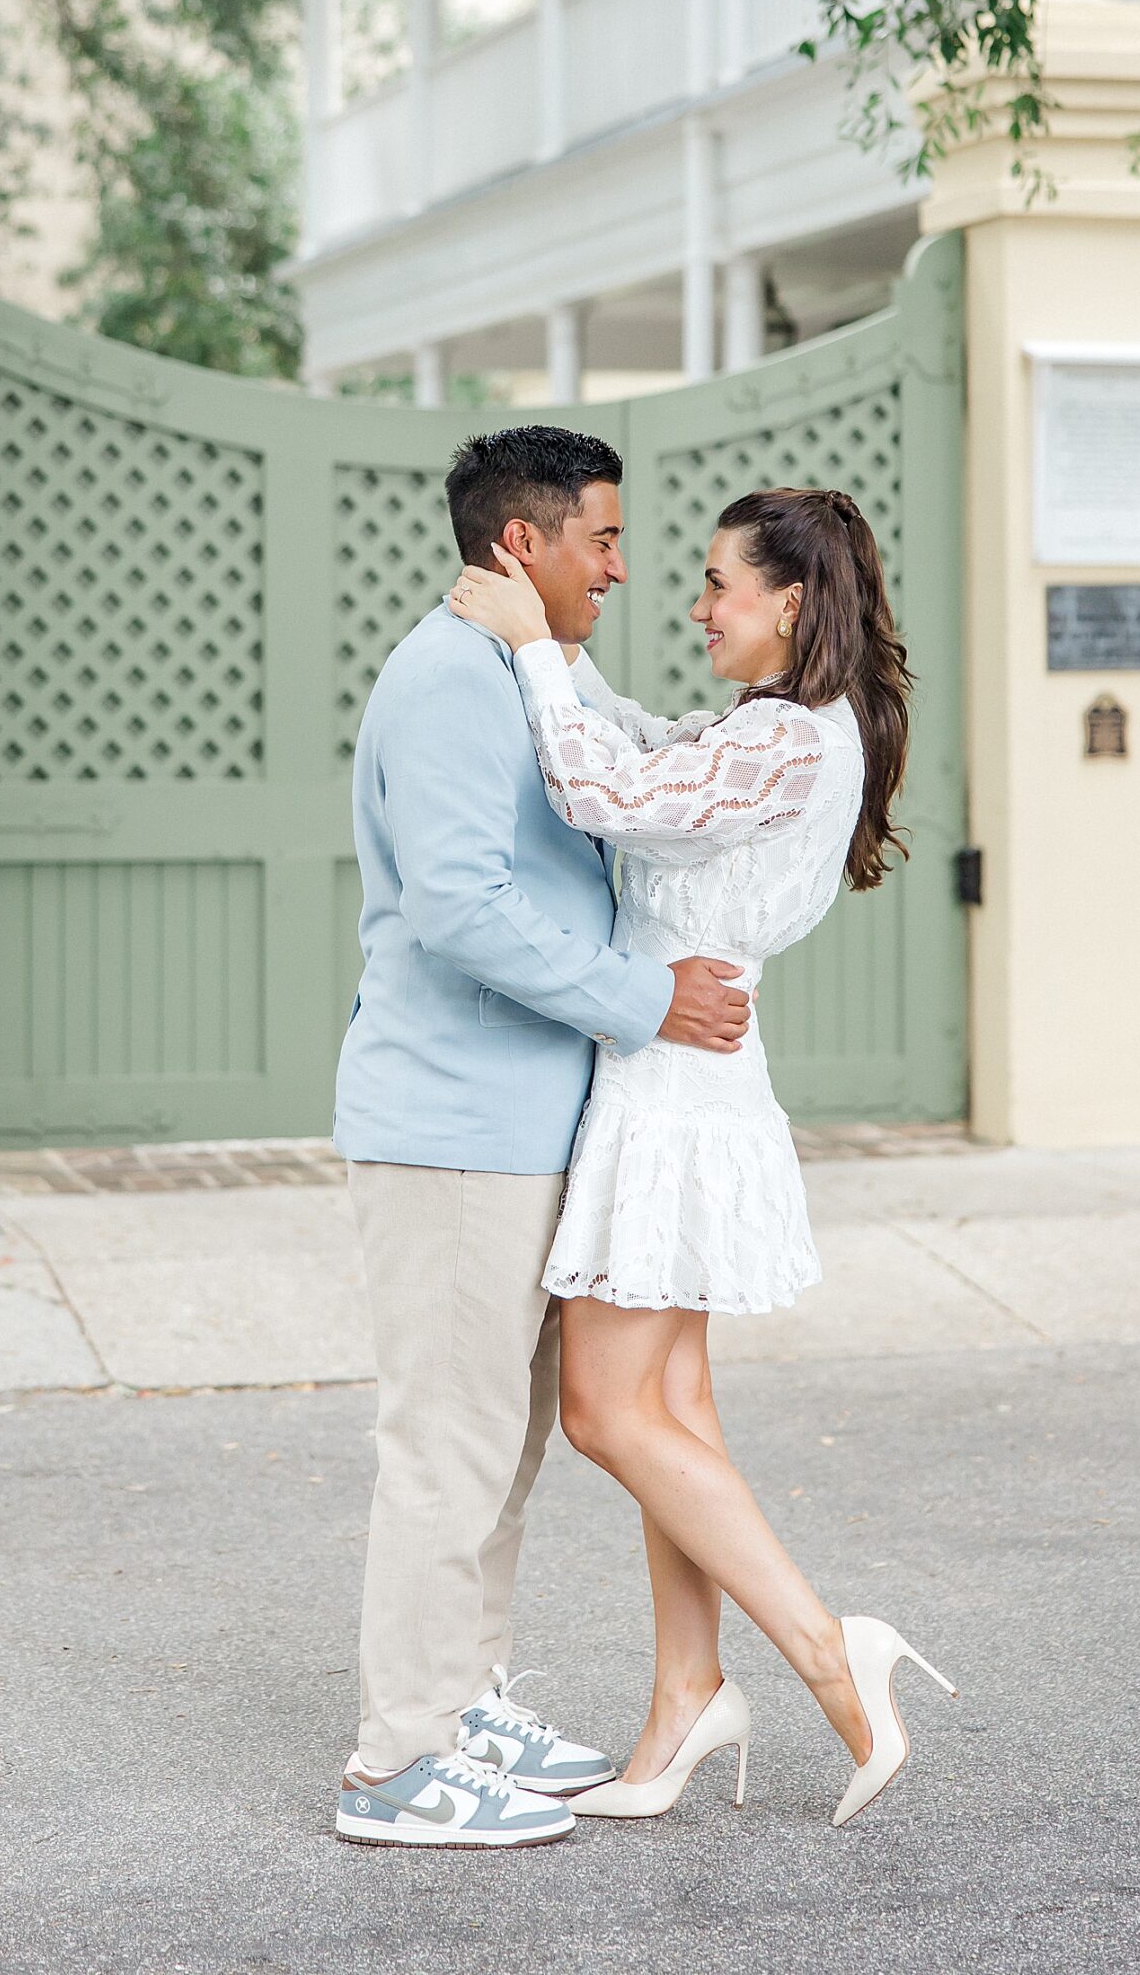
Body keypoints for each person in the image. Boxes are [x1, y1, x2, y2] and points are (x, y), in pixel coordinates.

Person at [448, 486, 957, 1829]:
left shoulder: (787, 739)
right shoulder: (775, 730)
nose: (695, 603)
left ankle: (827, 1649)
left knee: (606, 1414)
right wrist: (557, 655)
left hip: (674, 1091)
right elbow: (642, 739)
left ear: (790, 604)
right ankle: (686, 1697)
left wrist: (527, 654)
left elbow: (599, 784)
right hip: (686, 1081)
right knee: (675, 1415)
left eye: (719, 584)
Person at [332, 426, 753, 1850]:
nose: (623, 569)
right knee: (447, 1448)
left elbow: (647, 756)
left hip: (523, 1128)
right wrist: (649, 1003)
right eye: (606, 542)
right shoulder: (450, 679)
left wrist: (802, 730)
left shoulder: (535, 668)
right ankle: (401, 1763)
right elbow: (457, 907)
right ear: (526, 543)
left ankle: (464, 1701)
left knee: (501, 1448)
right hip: (451, 1130)